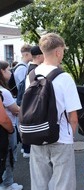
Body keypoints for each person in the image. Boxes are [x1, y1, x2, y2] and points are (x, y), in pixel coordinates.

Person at [28, 33, 81, 190]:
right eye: (63, 51)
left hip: (36, 135)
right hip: (61, 138)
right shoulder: (64, 78)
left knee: (39, 183)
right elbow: (73, 117)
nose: (63, 54)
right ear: (58, 51)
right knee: (62, 184)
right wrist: (70, 136)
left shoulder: (31, 75)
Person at [0, 61, 22, 190]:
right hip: (6, 129)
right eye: (8, 70)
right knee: (8, 156)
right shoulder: (4, 92)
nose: (10, 73)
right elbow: (15, 111)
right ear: (2, 72)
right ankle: (7, 183)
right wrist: (11, 130)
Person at [14, 44, 32, 158]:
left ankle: (25, 148)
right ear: (26, 54)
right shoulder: (22, 68)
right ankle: (26, 149)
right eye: (31, 53)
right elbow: (23, 87)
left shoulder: (23, 67)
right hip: (21, 100)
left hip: (20, 100)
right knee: (24, 125)